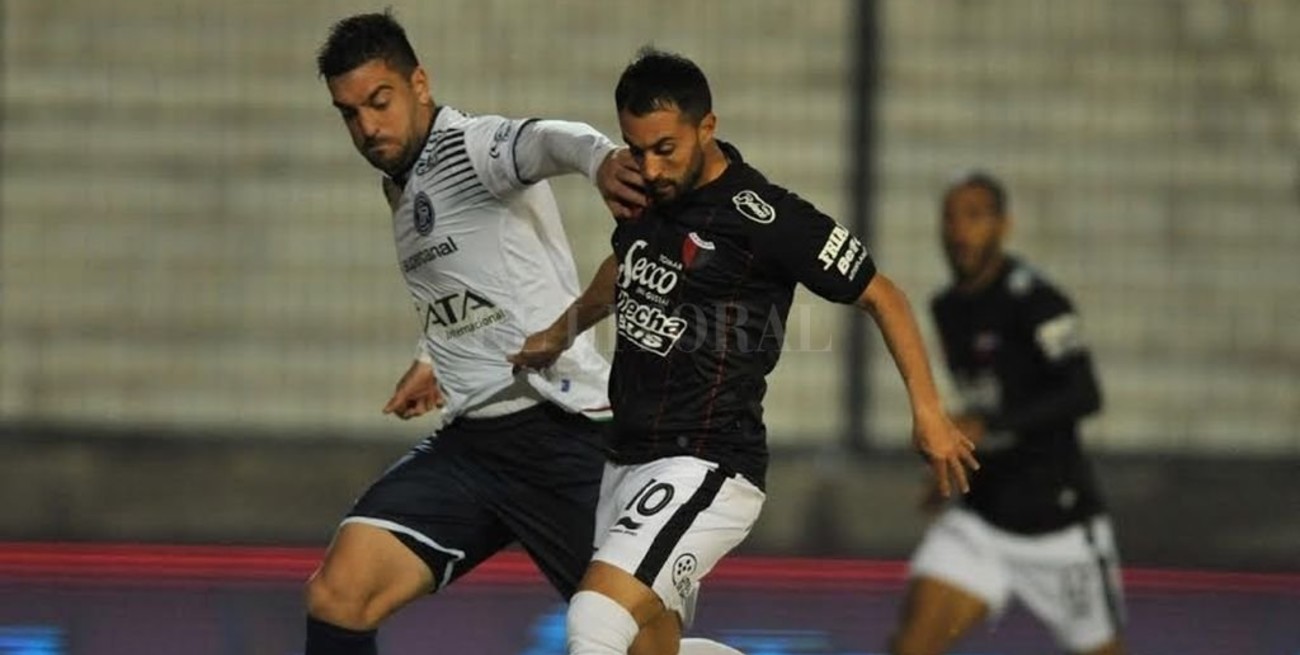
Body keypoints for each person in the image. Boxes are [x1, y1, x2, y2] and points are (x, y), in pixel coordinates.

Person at [508, 48, 979, 655]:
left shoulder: (766, 217)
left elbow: (883, 296)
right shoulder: (646, 193)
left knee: (596, 616)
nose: (649, 167)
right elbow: (627, 264)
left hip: (706, 463)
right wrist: (563, 330)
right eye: (636, 148)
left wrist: (929, 412)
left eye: (665, 148)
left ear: (707, 126)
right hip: (626, 459)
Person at [307, 13, 742, 655]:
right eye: (349, 113)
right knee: (340, 595)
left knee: (646, 646)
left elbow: (547, 139)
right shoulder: (401, 186)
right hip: (474, 448)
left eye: (379, 101)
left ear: (419, 83)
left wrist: (600, 161)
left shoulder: (470, 146)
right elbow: (468, 280)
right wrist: (432, 356)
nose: (368, 126)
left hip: (561, 433)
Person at [887, 172, 1126, 655]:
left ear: (1003, 225)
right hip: (983, 523)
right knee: (911, 646)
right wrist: (956, 456)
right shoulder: (947, 307)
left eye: (974, 217)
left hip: (1059, 528)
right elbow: (987, 400)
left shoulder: (1037, 302)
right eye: (951, 218)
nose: (959, 231)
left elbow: (1084, 393)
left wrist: (988, 425)